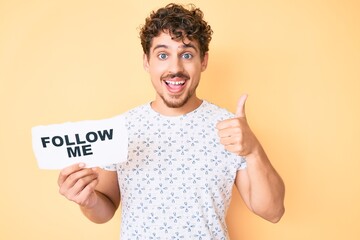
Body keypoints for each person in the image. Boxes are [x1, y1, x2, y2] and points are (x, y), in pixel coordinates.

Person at [57, 3, 285, 239]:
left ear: (204, 61)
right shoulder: (122, 128)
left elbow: (273, 212)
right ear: (147, 61)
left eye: (187, 54)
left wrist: (253, 150)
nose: (175, 68)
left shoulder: (231, 129)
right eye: (163, 55)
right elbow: (104, 209)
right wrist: (88, 200)